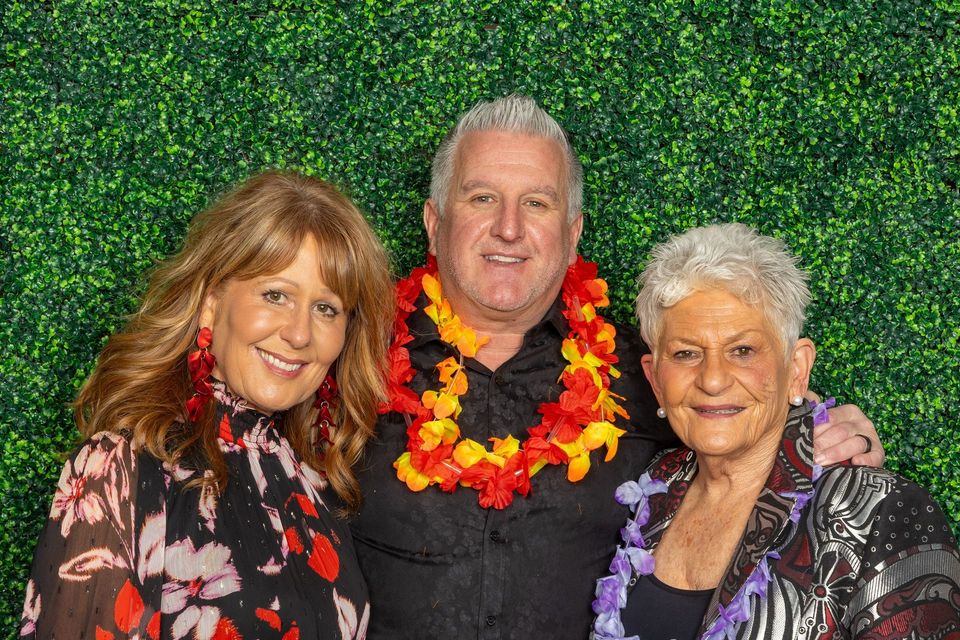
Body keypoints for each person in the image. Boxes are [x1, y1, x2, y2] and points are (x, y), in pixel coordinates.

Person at [349, 94, 885, 638]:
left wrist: (822, 431)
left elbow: (741, 411)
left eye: (537, 203)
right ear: (434, 221)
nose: (508, 228)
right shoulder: (351, 363)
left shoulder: (644, 373)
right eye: (482, 197)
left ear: (573, 231)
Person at [20, 171, 394, 639]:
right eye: (275, 295)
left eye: (326, 309)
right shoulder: (118, 470)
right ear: (212, 302)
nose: (300, 334)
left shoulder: (317, 479)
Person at [591, 223, 960, 639]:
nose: (713, 380)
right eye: (686, 353)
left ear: (797, 369)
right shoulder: (653, 485)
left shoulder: (877, 511)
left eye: (743, 350)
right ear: (656, 379)